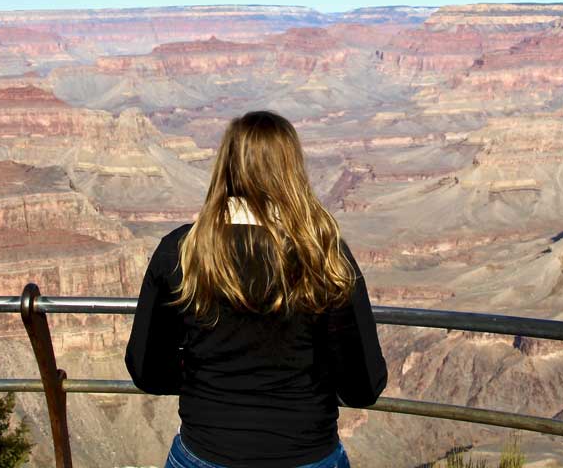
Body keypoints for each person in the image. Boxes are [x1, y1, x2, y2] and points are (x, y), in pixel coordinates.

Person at [126, 110, 387, 468]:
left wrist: (208, 378)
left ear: (227, 166)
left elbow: (146, 370)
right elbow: (363, 386)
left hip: (205, 451)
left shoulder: (180, 251)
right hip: (306, 453)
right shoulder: (323, 254)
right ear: (292, 168)